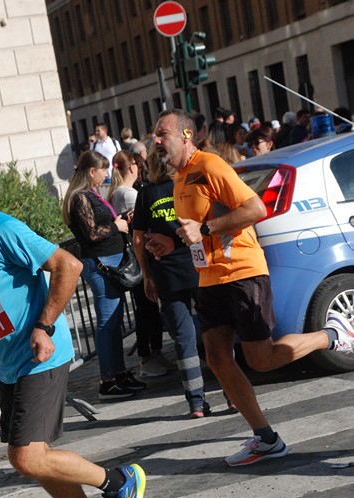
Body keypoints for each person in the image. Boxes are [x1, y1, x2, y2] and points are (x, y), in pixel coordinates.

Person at [0, 166, 146, 498]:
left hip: (41, 357)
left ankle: (119, 482)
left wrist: (44, 326)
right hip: (11, 366)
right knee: (39, 458)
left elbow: (68, 266)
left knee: (24, 457)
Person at [148, 108, 354, 467]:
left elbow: (255, 208)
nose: (155, 140)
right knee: (217, 357)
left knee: (261, 359)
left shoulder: (210, 166)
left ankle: (331, 335)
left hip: (242, 272)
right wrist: (173, 244)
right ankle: (265, 438)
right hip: (209, 277)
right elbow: (197, 229)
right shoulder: (180, 178)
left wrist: (206, 231)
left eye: (161, 133)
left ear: (185, 135)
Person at [133, 146, 211, 417]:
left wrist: (147, 274)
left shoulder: (145, 194)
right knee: (217, 331)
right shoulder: (189, 184)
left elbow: (138, 239)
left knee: (183, 338)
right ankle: (232, 395)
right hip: (199, 267)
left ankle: (196, 403)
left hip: (165, 273)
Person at [62, 150, 146, 400]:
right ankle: (108, 380)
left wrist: (121, 219)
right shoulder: (79, 198)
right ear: (91, 171)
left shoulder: (89, 195)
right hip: (101, 263)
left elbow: (99, 227)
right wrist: (117, 226)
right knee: (107, 323)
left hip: (110, 260)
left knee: (114, 322)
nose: (107, 175)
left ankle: (118, 374)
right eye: (103, 170)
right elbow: (92, 233)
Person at [108, 150, 168, 378]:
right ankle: (148, 356)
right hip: (140, 257)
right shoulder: (129, 194)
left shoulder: (120, 192)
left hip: (137, 256)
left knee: (147, 307)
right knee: (146, 308)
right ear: (132, 167)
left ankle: (154, 353)